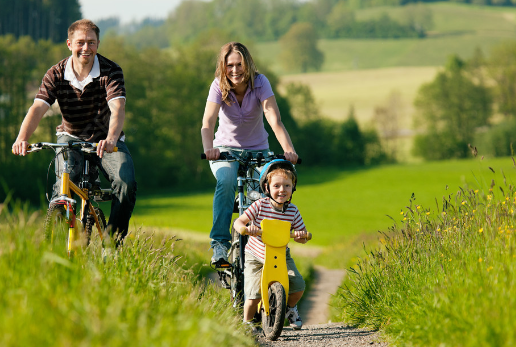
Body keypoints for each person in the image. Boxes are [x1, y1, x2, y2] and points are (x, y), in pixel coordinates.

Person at [11, 19, 137, 245]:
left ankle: (112, 241)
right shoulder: (56, 73)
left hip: (106, 139)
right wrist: (22, 138)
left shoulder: (111, 71)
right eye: (80, 42)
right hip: (70, 137)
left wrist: (111, 138)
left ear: (98, 44)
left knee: (125, 182)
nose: (86, 48)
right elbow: (38, 108)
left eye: (91, 42)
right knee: (64, 184)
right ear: (69, 44)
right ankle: (58, 245)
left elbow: (117, 108)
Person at [201, 41, 298, 267]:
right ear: (223, 67)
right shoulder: (218, 85)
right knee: (226, 181)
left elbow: (274, 119)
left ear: (248, 64)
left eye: (240, 64)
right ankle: (220, 244)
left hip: (258, 151)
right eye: (230, 65)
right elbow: (207, 122)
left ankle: (269, 244)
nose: (235, 70)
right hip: (225, 150)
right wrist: (209, 149)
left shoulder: (260, 82)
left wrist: (289, 149)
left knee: (268, 192)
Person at [233, 159, 308, 332]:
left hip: (281, 254)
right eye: (277, 186)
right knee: (253, 294)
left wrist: (301, 235)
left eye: (287, 186)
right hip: (256, 255)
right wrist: (246, 228)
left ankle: (289, 308)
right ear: (267, 188)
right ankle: (247, 322)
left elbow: (302, 237)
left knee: (298, 286)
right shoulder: (259, 205)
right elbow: (239, 222)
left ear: (293, 188)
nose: (282, 190)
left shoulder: (293, 211)